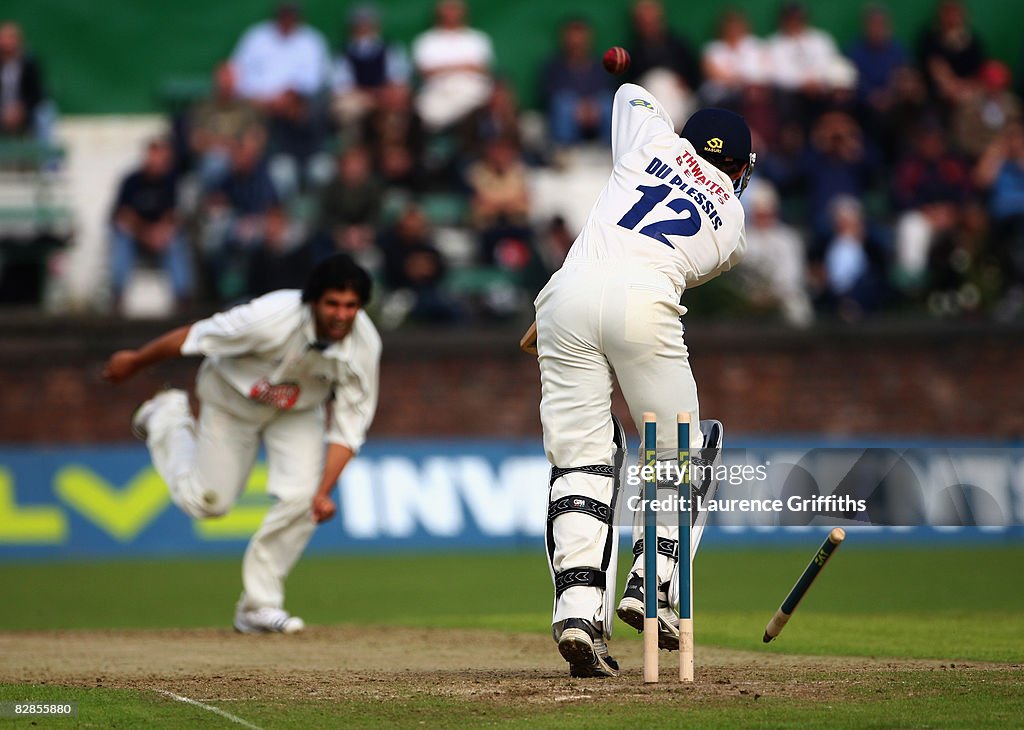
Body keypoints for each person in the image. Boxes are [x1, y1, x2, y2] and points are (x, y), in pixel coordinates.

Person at [534, 83, 753, 677]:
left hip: (562, 295)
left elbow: (630, 91)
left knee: (581, 458)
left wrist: (665, 133)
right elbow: (663, 265)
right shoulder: (730, 223)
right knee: (683, 447)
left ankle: (578, 614)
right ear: (740, 169)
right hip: (644, 301)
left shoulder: (651, 141)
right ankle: (649, 584)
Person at [101, 254, 381, 634]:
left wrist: (324, 492)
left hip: (297, 410)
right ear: (313, 300)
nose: (341, 315)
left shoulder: (365, 346)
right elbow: (194, 337)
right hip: (232, 399)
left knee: (302, 500)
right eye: (333, 303)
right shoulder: (269, 318)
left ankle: (258, 607)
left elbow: (350, 426)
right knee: (208, 503)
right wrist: (135, 361)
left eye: (351, 306)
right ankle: (166, 415)